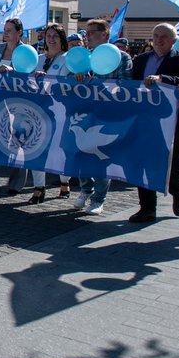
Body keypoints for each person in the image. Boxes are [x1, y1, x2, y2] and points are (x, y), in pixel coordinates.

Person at [127, 23, 179, 223]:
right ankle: (147, 208)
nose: (159, 40)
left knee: (175, 160)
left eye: (164, 36)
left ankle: (177, 191)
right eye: (156, 36)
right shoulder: (140, 60)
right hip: (146, 119)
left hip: (173, 118)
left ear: (174, 41)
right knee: (144, 161)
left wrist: (162, 79)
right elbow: (130, 85)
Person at [72, 17, 133, 216]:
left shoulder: (121, 57)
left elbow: (125, 86)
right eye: (86, 32)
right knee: (81, 152)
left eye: (92, 32)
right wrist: (80, 79)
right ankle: (84, 190)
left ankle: (98, 199)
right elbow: (72, 85)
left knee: (100, 155)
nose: (87, 36)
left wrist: (101, 87)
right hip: (86, 112)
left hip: (108, 114)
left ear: (105, 34)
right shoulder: (84, 57)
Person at [0, 17, 29, 196]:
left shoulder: (26, 51)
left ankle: (16, 184)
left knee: (18, 143)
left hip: (20, 104)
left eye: (10, 30)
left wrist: (13, 72)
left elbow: (29, 76)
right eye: (5, 29)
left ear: (19, 32)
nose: (6, 33)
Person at [29, 22, 71, 202]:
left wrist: (47, 79)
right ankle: (39, 187)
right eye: (49, 36)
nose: (51, 39)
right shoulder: (37, 58)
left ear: (62, 39)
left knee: (59, 148)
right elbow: (24, 79)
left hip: (59, 111)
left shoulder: (68, 59)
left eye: (55, 36)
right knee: (35, 147)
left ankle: (64, 181)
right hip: (37, 110)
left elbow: (66, 85)